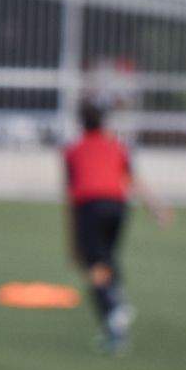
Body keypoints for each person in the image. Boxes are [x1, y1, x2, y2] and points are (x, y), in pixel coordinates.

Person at [63, 100, 172, 353]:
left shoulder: (73, 150)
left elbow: (71, 196)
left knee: (95, 267)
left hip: (90, 206)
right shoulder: (117, 146)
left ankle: (114, 315)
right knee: (108, 258)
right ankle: (117, 306)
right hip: (118, 207)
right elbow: (133, 180)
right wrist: (157, 208)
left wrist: (72, 242)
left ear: (81, 123)